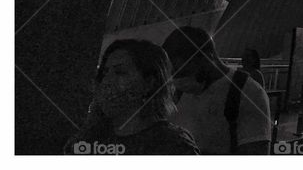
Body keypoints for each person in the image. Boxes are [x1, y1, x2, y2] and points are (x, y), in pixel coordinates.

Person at [65, 39, 198, 154]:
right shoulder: (91, 139)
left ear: (149, 83)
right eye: (105, 72)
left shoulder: (173, 146)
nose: (106, 81)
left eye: (120, 72)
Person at [162, 27, 270, 154]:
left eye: (184, 72)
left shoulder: (249, 94)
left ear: (208, 58)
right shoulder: (178, 93)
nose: (178, 80)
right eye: (173, 74)